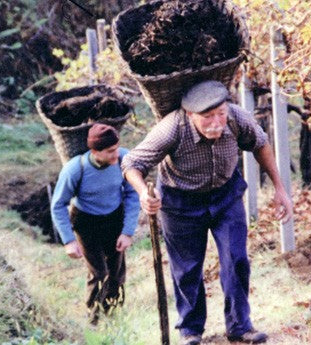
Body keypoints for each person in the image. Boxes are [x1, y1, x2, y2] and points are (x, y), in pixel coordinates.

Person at [121, 80, 293, 345]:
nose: (217, 122)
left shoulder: (236, 118)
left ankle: (239, 326)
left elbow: (261, 144)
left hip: (226, 195)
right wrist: (143, 191)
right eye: (207, 117)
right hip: (180, 203)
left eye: (220, 113)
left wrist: (280, 188)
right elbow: (132, 163)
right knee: (187, 268)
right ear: (190, 115)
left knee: (236, 258)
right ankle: (190, 330)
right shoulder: (171, 128)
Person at [51, 123, 140, 325]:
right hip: (86, 221)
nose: (115, 154)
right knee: (99, 273)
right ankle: (93, 321)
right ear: (95, 151)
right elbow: (58, 205)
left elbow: (132, 194)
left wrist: (127, 232)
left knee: (116, 274)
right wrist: (68, 241)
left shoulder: (124, 160)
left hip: (114, 218)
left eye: (117, 148)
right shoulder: (76, 169)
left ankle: (114, 317)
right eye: (110, 151)